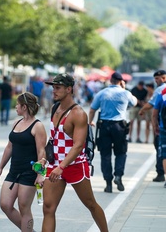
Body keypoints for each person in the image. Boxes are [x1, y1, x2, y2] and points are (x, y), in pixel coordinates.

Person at [43, 73, 108, 232]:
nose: (54, 91)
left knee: (90, 204)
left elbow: (78, 146)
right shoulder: (55, 108)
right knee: (48, 208)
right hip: (55, 164)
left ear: (68, 89)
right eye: (53, 87)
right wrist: (44, 159)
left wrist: (62, 166)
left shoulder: (78, 113)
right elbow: (54, 139)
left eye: (57, 88)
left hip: (74, 165)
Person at [0, 92, 47, 232]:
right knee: (5, 204)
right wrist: (0, 167)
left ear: (24, 106)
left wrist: (41, 174)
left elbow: (42, 152)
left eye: (17, 104)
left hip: (29, 173)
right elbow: (9, 147)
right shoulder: (16, 122)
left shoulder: (38, 126)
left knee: (24, 207)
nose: (16, 106)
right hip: (14, 171)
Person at [89, 72, 137, 193]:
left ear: (110, 80)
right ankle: (118, 176)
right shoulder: (125, 93)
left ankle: (108, 183)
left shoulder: (102, 93)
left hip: (104, 126)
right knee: (121, 153)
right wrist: (124, 88)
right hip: (119, 126)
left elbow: (92, 109)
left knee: (105, 155)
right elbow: (135, 102)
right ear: (121, 81)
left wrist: (90, 122)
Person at [139, 70, 166, 182]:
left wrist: (142, 110)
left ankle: (160, 173)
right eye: (155, 79)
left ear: (164, 78)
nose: (156, 81)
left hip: (162, 122)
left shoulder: (160, 90)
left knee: (160, 148)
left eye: (158, 78)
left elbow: (152, 105)